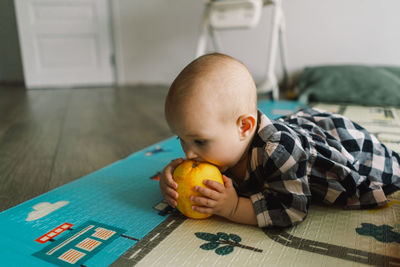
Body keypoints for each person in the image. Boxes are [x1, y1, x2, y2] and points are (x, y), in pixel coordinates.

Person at [159, 53, 400, 228]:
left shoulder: (279, 151)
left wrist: (232, 208)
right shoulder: (222, 146)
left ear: (244, 127)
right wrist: (172, 184)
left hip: (352, 151)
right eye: (183, 139)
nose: (189, 155)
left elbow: (292, 210)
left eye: (200, 142)